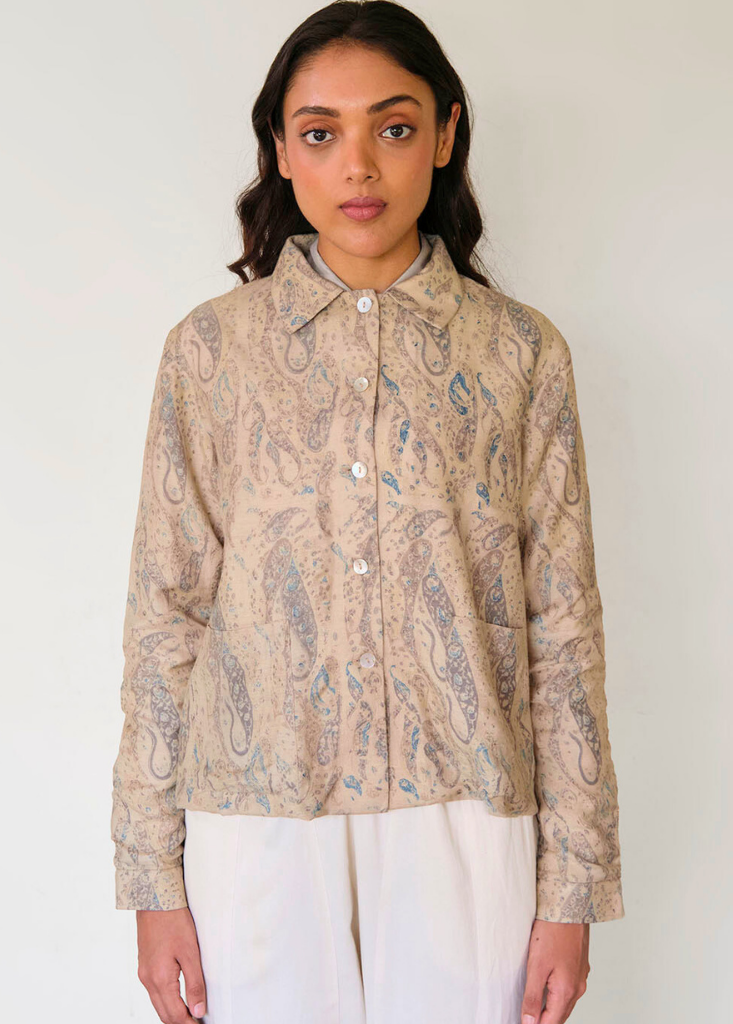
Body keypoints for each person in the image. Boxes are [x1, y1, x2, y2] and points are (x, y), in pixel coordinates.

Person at [110, 3, 625, 1023]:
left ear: (445, 133)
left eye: (393, 126)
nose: (358, 166)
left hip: (465, 813)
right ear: (280, 149)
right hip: (254, 812)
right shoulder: (209, 352)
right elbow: (166, 620)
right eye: (320, 132)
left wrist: (572, 889)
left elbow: (564, 630)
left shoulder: (520, 353)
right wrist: (152, 877)